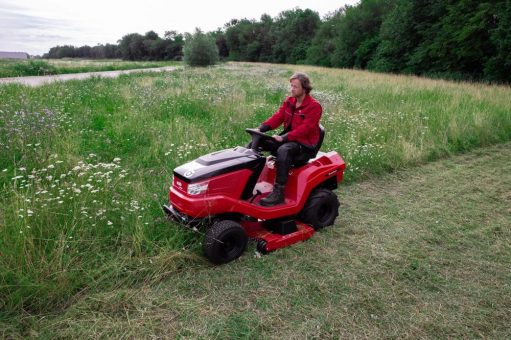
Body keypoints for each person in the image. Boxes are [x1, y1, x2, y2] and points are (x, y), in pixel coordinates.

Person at [256, 72, 322, 206]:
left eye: (295, 87)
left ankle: (278, 193)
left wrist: (284, 137)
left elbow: (306, 129)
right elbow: (278, 117)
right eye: (291, 86)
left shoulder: (314, 106)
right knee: (257, 142)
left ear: (304, 88)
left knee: (283, 150)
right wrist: (261, 128)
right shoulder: (289, 101)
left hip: (304, 144)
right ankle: (250, 180)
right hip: (288, 139)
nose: (292, 89)